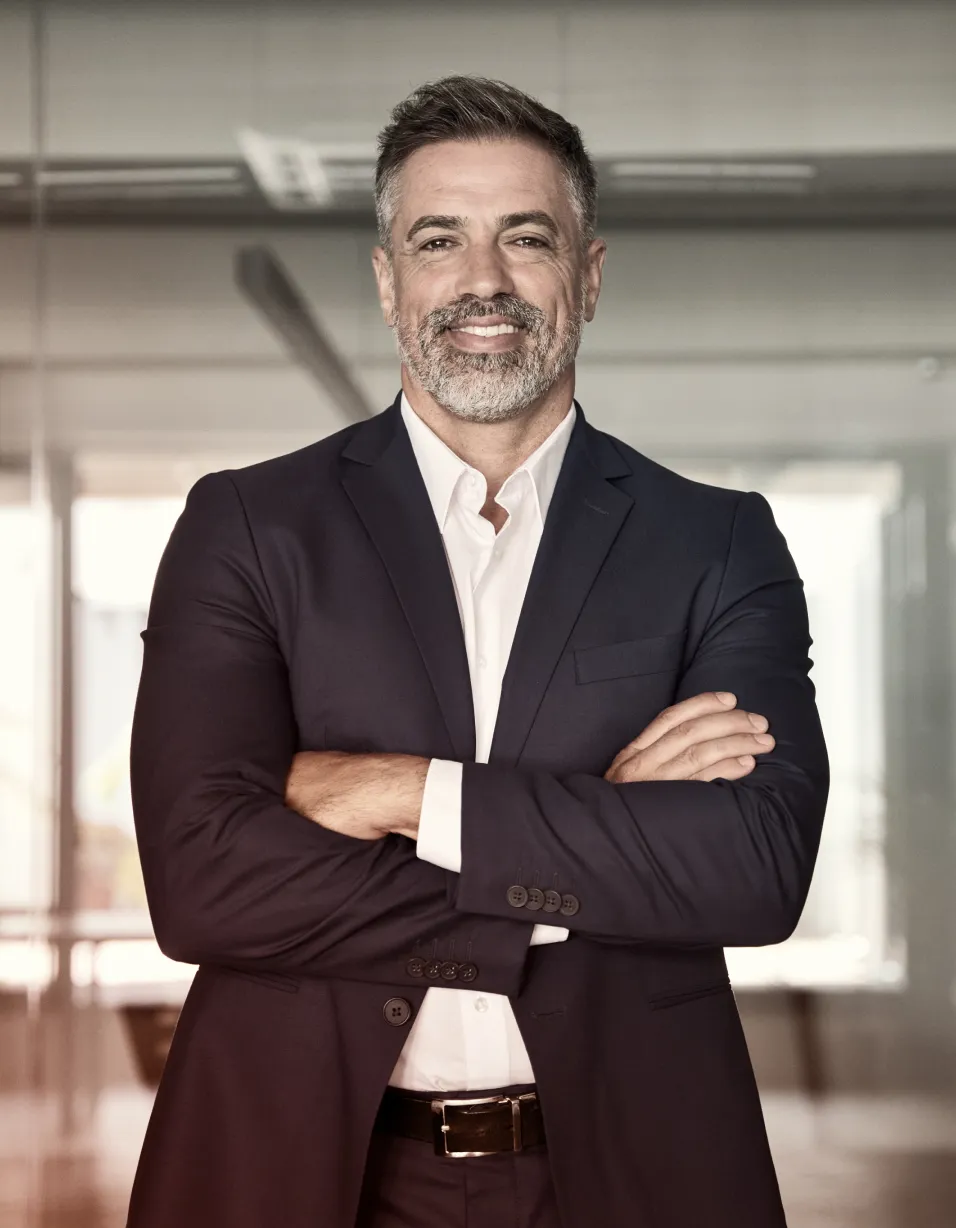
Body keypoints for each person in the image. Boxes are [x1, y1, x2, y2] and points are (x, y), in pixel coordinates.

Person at [126, 76, 828, 1228]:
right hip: (300, 1167)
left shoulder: (713, 540)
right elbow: (202, 884)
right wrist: (593, 837)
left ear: (588, 275)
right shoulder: (249, 526)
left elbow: (753, 865)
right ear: (387, 279)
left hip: (630, 1168)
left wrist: (407, 792)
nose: (482, 280)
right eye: (438, 239)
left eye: (526, 237)